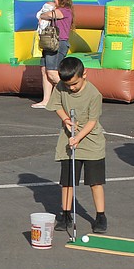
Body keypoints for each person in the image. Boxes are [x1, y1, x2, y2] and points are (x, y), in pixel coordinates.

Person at [48, 56, 107, 233]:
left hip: (90, 140)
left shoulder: (94, 94)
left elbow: (92, 121)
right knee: (67, 181)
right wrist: (65, 119)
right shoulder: (61, 86)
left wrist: (78, 137)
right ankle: (65, 215)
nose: (71, 88)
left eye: (74, 84)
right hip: (68, 138)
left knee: (95, 182)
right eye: (68, 85)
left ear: (84, 75)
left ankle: (100, 216)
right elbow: (57, 104)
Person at [33, 0, 73, 109]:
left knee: (52, 72)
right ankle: (46, 100)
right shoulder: (59, 10)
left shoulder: (65, 11)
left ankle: (70, 95)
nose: (53, 0)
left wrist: (45, 11)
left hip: (58, 43)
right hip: (49, 43)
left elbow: (47, 15)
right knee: (44, 71)